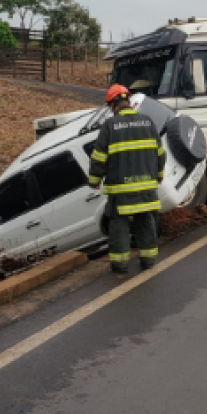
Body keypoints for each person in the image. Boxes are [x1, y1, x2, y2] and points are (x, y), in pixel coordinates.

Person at [88, 84, 165, 274]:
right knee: (145, 221)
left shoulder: (110, 126)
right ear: (128, 100)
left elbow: (99, 158)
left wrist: (94, 181)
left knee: (119, 225)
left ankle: (120, 264)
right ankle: (148, 260)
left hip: (120, 190)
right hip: (146, 187)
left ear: (113, 104)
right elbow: (160, 153)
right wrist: (159, 175)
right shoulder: (147, 122)